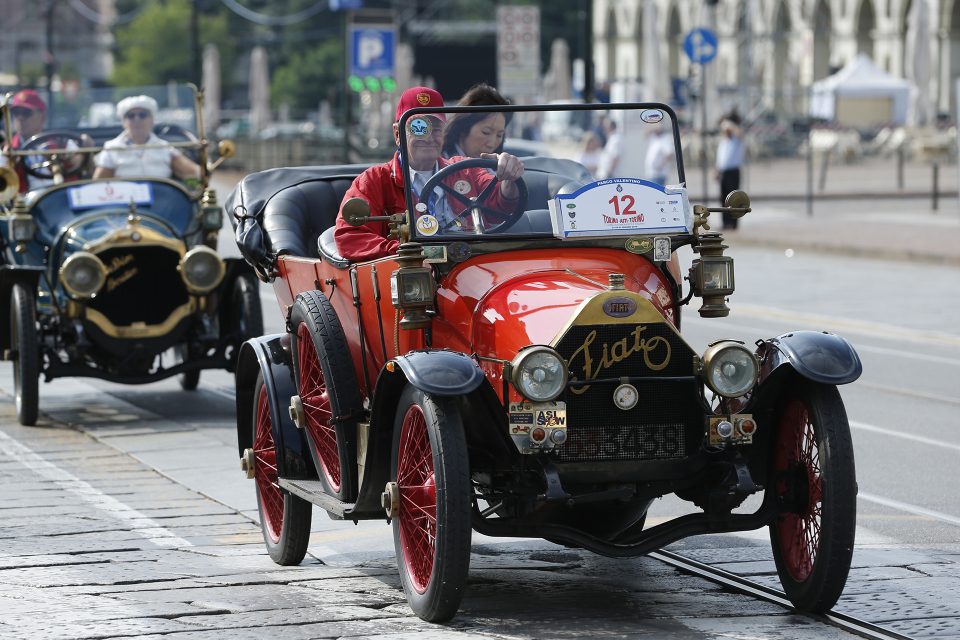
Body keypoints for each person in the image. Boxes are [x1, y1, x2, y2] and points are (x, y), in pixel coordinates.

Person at [334, 86, 525, 261]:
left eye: (436, 128)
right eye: (418, 128)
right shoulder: (374, 181)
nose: (428, 137)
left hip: (468, 267)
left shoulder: (465, 169)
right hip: (412, 284)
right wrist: (408, 253)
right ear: (397, 134)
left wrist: (509, 179)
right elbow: (350, 236)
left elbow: (499, 203)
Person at [93, 95, 200, 180]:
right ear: (123, 122)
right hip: (125, 205)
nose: (137, 119)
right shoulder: (111, 148)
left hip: (162, 203)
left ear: (152, 120)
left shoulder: (165, 148)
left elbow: (196, 173)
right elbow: (98, 184)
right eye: (131, 116)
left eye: (143, 115)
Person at [441, 83, 511, 158]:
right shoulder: (440, 164)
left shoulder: (495, 166)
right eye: (486, 132)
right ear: (463, 127)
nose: (491, 144)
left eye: (499, 135)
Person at [2, 89, 49, 192]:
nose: (20, 118)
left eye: (26, 113)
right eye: (16, 113)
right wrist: (7, 164)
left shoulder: (61, 144)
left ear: (43, 116)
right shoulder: (6, 150)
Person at [715, 112, 745, 230]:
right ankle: (725, 222)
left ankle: (733, 223)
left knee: (734, 199)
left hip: (733, 171)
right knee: (723, 198)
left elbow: (739, 133)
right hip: (724, 172)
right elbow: (721, 158)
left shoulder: (736, 139)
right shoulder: (724, 141)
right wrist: (717, 171)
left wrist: (729, 125)